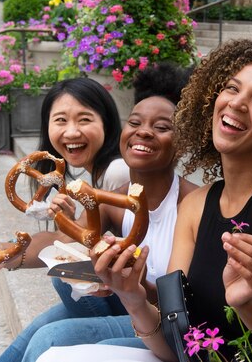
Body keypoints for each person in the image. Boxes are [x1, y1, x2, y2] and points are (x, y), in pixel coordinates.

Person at [38, 39, 252, 362]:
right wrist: (134, 296)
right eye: (231, 88)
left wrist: (248, 303)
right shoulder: (196, 205)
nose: (237, 103)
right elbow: (175, 343)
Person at [10, 63, 197, 362]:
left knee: (53, 336)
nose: (144, 132)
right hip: (135, 302)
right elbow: (63, 240)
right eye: (135, 123)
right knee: (45, 323)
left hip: (175, 325)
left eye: (162, 127)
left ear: (183, 140)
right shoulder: (116, 197)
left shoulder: (194, 204)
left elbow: (184, 305)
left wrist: (131, 285)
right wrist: (3, 255)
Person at [0, 77, 130, 361]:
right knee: (35, 331)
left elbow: (72, 250)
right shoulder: (87, 177)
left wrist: (67, 232)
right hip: (119, 296)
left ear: (107, 123)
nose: (71, 131)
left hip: (141, 304)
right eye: (60, 120)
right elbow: (61, 241)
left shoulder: (117, 174)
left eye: (84, 119)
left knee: (51, 324)